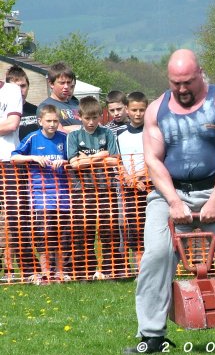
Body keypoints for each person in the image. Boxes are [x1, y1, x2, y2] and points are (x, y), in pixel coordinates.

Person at [125, 49, 215, 355]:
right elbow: (153, 159)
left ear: (200, 74)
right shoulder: (156, 110)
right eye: (175, 82)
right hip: (168, 193)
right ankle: (151, 337)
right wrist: (174, 201)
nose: (181, 89)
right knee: (155, 258)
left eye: (187, 82)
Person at [66, 96, 126, 280]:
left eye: (95, 118)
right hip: (82, 191)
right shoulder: (74, 136)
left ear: (101, 116)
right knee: (83, 231)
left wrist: (87, 159)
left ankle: (111, 271)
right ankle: (84, 271)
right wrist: (101, 155)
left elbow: (114, 159)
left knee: (109, 231)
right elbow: (74, 163)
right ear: (80, 116)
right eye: (87, 118)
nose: (91, 122)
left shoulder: (108, 134)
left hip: (105, 189)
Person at [11, 104, 71, 284]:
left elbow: (74, 158)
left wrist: (65, 161)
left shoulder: (64, 138)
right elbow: (15, 156)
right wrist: (34, 158)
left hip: (62, 195)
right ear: (40, 121)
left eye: (55, 121)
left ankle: (61, 272)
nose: (52, 124)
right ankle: (46, 272)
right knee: (44, 233)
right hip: (40, 196)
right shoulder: (33, 138)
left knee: (63, 233)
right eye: (49, 121)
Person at [0, 78, 38, 282]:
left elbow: (12, 124)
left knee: (17, 217)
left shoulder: (12, 90)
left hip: (8, 161)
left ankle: (29, 268)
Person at [117, 91, 150, 274]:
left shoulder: (152, 132)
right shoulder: (120, 135)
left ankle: (154, 269)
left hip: (149, 186)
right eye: (134, 110)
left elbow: (156, 158)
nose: (138, 114)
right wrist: (128, 178)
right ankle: (140, 270)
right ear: (127, 110)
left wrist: (141, 176)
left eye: (142, 110)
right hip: (129, 189)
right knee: (134, 229)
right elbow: (117, 160)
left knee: (152, 228)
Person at [37, 62, 81, 134]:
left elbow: (94, 125)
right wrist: (82, 128)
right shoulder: (46, 106)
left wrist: (69, 128)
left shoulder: (77, 104)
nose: (66, 86)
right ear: (51, 83)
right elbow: (59, 132)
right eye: (62, 83)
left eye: (68, 82)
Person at [5, 65, 39, 140]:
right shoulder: (2, 111)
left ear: (28, 87)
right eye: (15, 87)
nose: (19, 90)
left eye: (23, 86)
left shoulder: (37, 110)